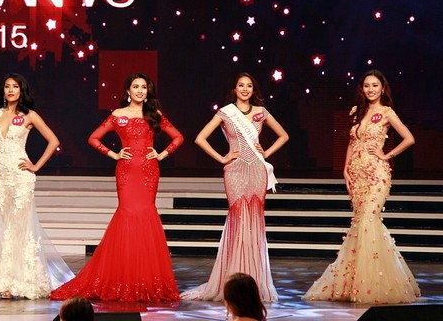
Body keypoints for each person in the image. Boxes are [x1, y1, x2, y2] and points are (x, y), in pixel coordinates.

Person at [50, 72, 184, 301]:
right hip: (126, 171)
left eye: (144, 87)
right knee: (127, 214)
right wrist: (113, 154)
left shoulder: (154, 114)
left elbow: (178, 137)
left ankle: (144, 279)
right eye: (135, 86)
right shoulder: (117, 115)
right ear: (128, 91)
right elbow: (93, 138)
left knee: (146, 214)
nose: (140, 91)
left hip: (148, 172)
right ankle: (123, 278)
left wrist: (162, 154)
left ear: (148, 91)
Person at [303, 69, 420, 304]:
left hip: (376, 174)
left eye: (375, 85)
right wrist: (346, 168)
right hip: (357, 175)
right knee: (360, 224)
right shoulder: (357, 111)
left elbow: (409, 138)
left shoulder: (387, 112)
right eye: (367, 86)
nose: (371, 90)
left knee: (368, 220)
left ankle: (375, 285)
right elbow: (351, 142)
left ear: (383, 88)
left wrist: (387, 154)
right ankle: (356, 283)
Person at [181, 72, 288, 302]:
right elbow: (200, 138)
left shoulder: (260, 112)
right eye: (241, 85)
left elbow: (283, 136)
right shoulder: (226, 112)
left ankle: (253, 279)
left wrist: (266, 153)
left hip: (257, 171)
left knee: (255, 222)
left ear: (253, 90)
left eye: (249, 86)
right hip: (235, 171)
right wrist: (222, 158)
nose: (245, 89)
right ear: (234, 89)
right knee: (238, 221)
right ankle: (233, 279)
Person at [0, 73, 74, 299]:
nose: (10, 90)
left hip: (21, 177)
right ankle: (2, 281)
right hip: (1, 179)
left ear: (21, 90)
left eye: (15, 86)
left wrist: (36, 166)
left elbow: (53, 141)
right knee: (2, 228)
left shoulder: (29, 115)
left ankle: (16, 282)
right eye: (7, 86)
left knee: (18, 229)